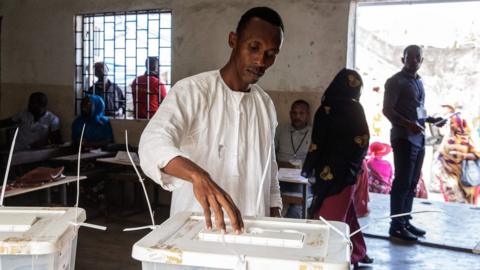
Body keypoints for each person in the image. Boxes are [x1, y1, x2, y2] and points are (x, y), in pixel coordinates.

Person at [138, 7, 284, 233]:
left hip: (251, 231)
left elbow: (270, 168)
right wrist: (198, 175)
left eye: (271, 54)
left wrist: (275, 215)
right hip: (197, 230)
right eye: (254, 47)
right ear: (233, 40)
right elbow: (152, 142)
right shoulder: (192, 91)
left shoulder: (264, 105)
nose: (261, 60)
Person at [302, 68, 372, 268]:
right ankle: (357, 252)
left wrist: (309, 168)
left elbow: (316, 144)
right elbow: (363, 143)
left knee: (329, 222)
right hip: (346, 173)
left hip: (329, 173)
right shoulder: (354, 109)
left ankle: (334, 261)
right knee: (343, 213)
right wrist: (354, 166)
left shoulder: (325, 109)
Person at [383, 45, 444, 242]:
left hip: (418, 138)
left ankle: (405, 220)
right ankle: (396, 226)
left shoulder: (418, 82)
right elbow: (388, 110)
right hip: (403, 138)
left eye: (418, 58)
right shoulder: (395, 81)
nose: (414, 61)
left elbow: (418, 111)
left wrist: (431, 120)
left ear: (422, 60)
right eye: (410, 57)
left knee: (412, 182)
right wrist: (408, 124)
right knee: (401, 181)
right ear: (403, 59)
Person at [275, 99, 312, 218]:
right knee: (272, 201)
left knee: (297, 208)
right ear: (290, 114)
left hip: (302, 178)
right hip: (280, 177)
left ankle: (290, 229)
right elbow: (270, 154)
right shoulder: (281, 130)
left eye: (301, 113)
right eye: (294, 113)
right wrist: (282, 165)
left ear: (308, 115)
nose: (297, 116)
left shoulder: (313, 133)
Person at [433, 113, 480, 204]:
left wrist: (464, 156)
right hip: (449, 174)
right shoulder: (449, 136)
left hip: (466, 175)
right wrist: (444, 163)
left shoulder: (470, 137)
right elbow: (441, 153)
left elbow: (477, 154)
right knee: (453, 197)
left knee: (467, 202)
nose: (457, 128)